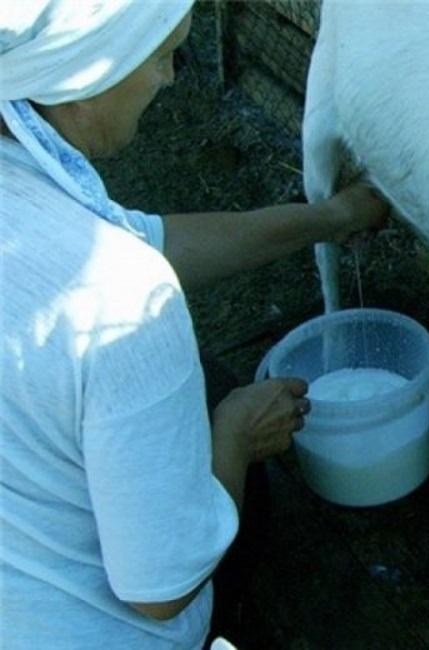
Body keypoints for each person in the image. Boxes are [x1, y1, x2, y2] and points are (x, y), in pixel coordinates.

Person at [0, 1, 388, 648]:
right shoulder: (122, 305)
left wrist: (332, 216)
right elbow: (161, 590)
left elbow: (148, 242)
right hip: (94, 632)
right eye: (159, 55)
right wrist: (235, 433)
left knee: (200, 382)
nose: (173, 77)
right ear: (82, 73)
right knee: (229, 446)